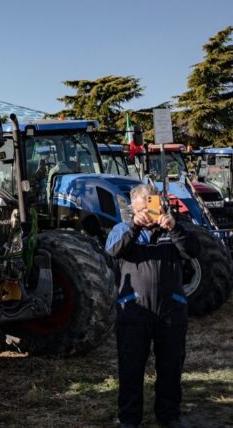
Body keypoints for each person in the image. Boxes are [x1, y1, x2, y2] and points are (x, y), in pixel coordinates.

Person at [106, 183, 199, 428]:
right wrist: (135, 227)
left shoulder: (172, 229)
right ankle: (129, 418)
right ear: (133, 208)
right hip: (134, 309)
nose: (148, 211)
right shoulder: (122, 229)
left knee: (170, 366)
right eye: (143, 207)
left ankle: (169, 415)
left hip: (171, 309)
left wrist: (175, 228)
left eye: (152, 204)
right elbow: (113, 250)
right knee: (131, 366)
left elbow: (194, 250)